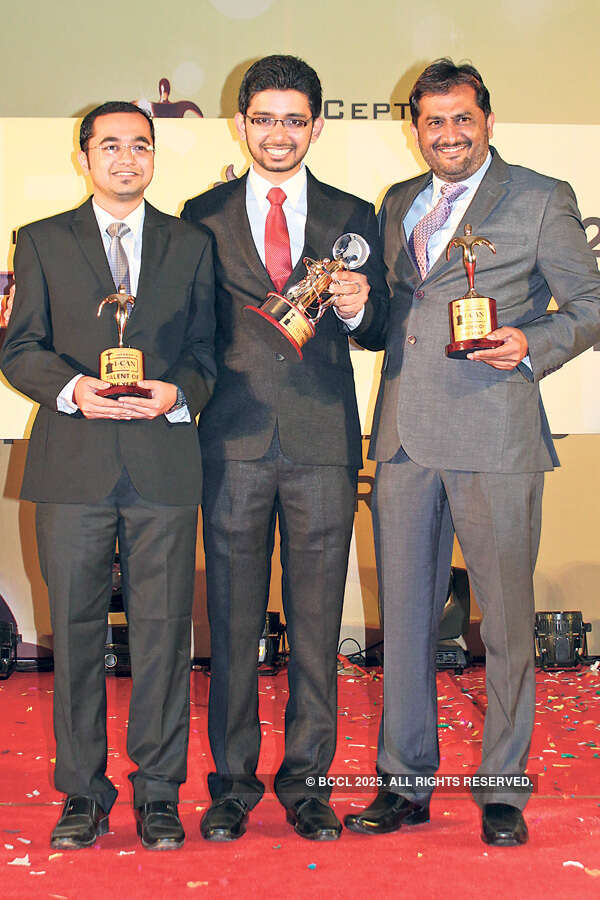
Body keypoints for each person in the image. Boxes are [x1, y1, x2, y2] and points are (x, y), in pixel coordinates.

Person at [344, 59, 600, 846]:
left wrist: (533, 342)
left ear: (487, 120)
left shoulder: (539, 196)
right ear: (413, 128)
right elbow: (398, 319)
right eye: (433, 122)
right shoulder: (398, 203)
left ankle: (501, 791)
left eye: (462, 118)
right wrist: (359, 314)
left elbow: (589, 305)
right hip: (404, 438)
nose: (448, 134)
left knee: (508, 622)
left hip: (496, 435)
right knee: (408, 622)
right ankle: (405, 784)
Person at [182, 55, 387, 842]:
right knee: (232, 622)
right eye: (264, 118)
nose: (278, 133)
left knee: (314, 624)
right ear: (241, 123)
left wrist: (363, 306)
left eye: (294, 119)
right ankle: (231, 783)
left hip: (320, 445)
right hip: (228, 442)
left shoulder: (351, 213)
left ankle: (308, 783)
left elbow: (377, 326)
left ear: (317, 126)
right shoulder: (198, 213)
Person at [0, 101, 216, 850]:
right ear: (84, 157)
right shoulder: (40, 242)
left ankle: (159, 793)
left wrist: (178, 391)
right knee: (78, 638)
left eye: (141, 145)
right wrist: (72, 389)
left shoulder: (191, 244)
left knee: (163, 636)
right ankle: (82, 794)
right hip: (72, 466)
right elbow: (19, 348)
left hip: (162, 462)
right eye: (110, 146)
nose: (127, 158)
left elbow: (208, 353)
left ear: (154, 156)